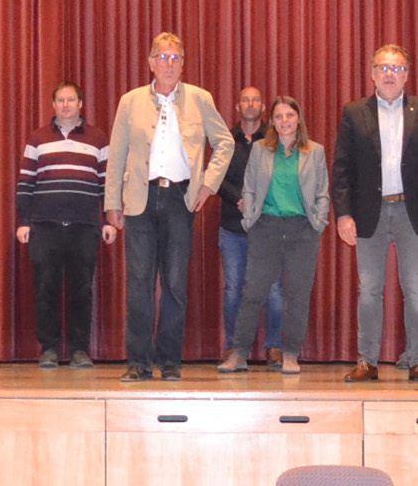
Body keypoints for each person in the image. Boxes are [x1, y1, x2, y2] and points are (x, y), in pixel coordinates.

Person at [105, 32, 234, 382]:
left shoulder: (200, 99)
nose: (169, 64)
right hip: (140, 200)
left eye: (175, 58)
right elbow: (116, 155)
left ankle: (171, 362)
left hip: (180, 199)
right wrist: (111, 203)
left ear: (183, 63)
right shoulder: (130, 101)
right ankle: (139, 363)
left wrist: (208, 183)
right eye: (162, 58)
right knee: (139, 284)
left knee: (176, 284)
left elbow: (224, 142)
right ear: (150, 63)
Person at [217, 96, 329, 375]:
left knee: (297, 295)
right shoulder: (260, 150)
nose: (284, 121)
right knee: (252, 292)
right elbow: (250, 187)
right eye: (279, 116)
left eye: (289, 115)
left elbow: (322, 192)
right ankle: (239, 353)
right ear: (273, 121)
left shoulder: (315, 151)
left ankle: (290, 354)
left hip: (302, 230)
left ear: (298, 118)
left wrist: (319, 221)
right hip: (265, 228)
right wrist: (249, 218)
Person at [15, 81, 117, 369]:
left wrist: (109, 219)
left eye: (71, 100)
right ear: (53, 104)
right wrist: (23, 222)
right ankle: (48, 348)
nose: (66, 105)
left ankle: (79, 350)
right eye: (60, 100)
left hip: (85, 226)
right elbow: (25, 183)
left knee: (81, 289)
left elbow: (106, 184)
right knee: (46, 288)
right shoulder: (37, 139)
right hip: (44, 225)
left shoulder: (98, 139)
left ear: (80, 104)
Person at [334, 44, 418, 383]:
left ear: (407, 75)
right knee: (369, 290)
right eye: (383, 67)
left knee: (415, 288)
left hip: (411, 213)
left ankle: (415, 358)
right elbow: (342, 167)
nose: (389, 74)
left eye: (397, 68)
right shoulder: (354, 112)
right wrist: (343, 214)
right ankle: (367, 361)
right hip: (370, 212)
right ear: (372, 73)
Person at [218, 87, 284, 368]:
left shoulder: (275, 139)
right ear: (237, 106)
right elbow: (215, 176)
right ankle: (236, 348)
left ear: (263, 106)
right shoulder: (225, 140)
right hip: (232, 225)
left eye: (256, 99)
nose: (250, 104)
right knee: (234, 289)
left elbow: (282, 176)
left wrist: (258, 202)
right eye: (245, 99)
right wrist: (239, 199)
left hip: (267, 225)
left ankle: (274, 348)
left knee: (273, 289)